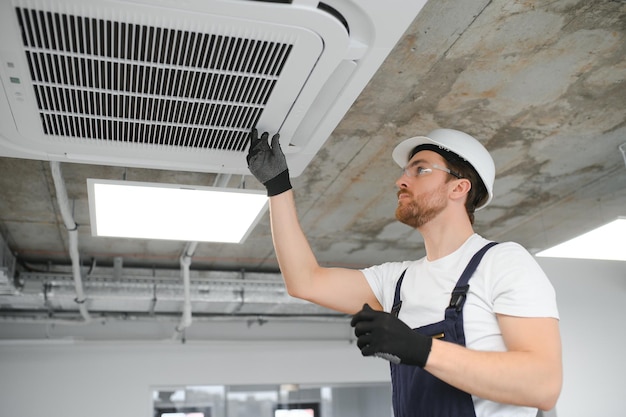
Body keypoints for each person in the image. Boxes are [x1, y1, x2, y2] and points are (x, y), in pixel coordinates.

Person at [246, 127, 562, 417]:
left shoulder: (502, 262)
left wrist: (420, 349)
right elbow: (306, 281)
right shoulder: (397, 282)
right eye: (403, 172)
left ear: (459, 187)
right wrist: (278, 186)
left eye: (420, 169)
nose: (401, 181)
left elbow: (543, 386)